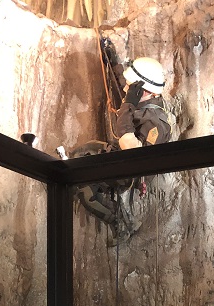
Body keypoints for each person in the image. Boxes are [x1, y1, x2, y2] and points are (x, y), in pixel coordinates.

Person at [72, 48, 172, 245]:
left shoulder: (156, 123)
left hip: (130, 172)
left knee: (83, 186)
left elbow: (133, 152)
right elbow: (123, 89)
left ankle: (119, 221)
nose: (127, 91)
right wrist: (112, 61)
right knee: (80, 153)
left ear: (146, 91)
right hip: (120, 155)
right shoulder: (144, 103)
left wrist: (127, 105)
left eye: (132, 88)